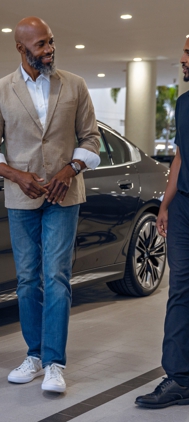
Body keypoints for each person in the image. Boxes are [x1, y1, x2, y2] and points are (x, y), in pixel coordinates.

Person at [0, 16, 100, 393]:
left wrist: (71, 168)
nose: (48, 49)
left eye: (50, 42)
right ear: (21, 48)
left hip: (65, 197)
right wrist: (16, 175)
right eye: (40, 45)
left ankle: (54, 363)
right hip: (20, 198)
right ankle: (33, 355)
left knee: (57, 277)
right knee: (28, 279)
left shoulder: (74, 85)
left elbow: (92, 141)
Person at [135, 37, 189, 409]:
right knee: (181, 291)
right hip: (185, 208)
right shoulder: (184, 103)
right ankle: (180, 377)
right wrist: (165, 204)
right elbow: (180, 157)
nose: (183, 59)